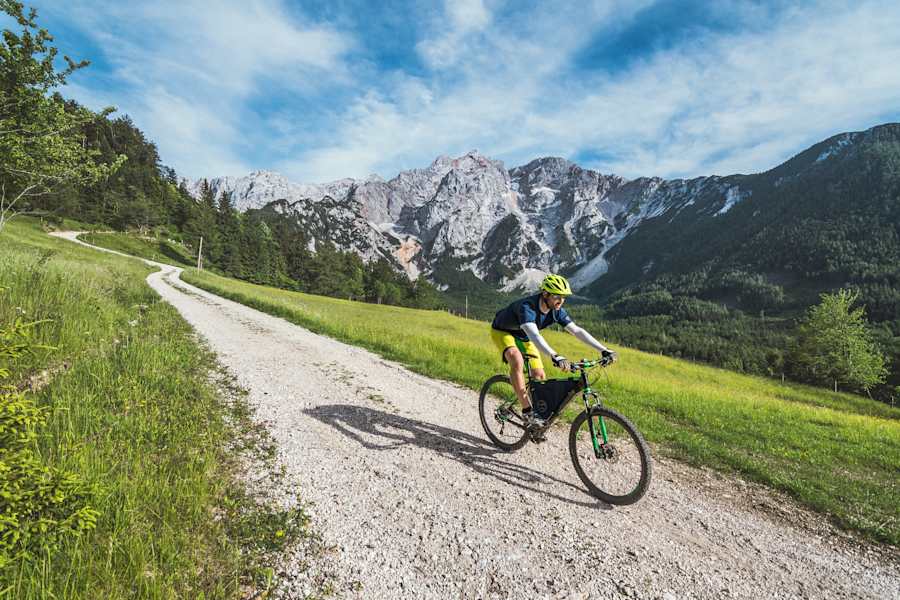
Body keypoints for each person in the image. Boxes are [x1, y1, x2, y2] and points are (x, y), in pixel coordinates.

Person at [490, 273, 616, 430]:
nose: (561, 301)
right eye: (557, 296)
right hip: (503, 331)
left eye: (563, 297)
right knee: (516, 359)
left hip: (524, 336)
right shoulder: (527, 307)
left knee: (539, 376)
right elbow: (535, 335)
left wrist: (604, 350)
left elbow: (576, 331)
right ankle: (527, 411)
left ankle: (537, 416)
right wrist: (554, 355)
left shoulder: (556, 310)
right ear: (545, 294)